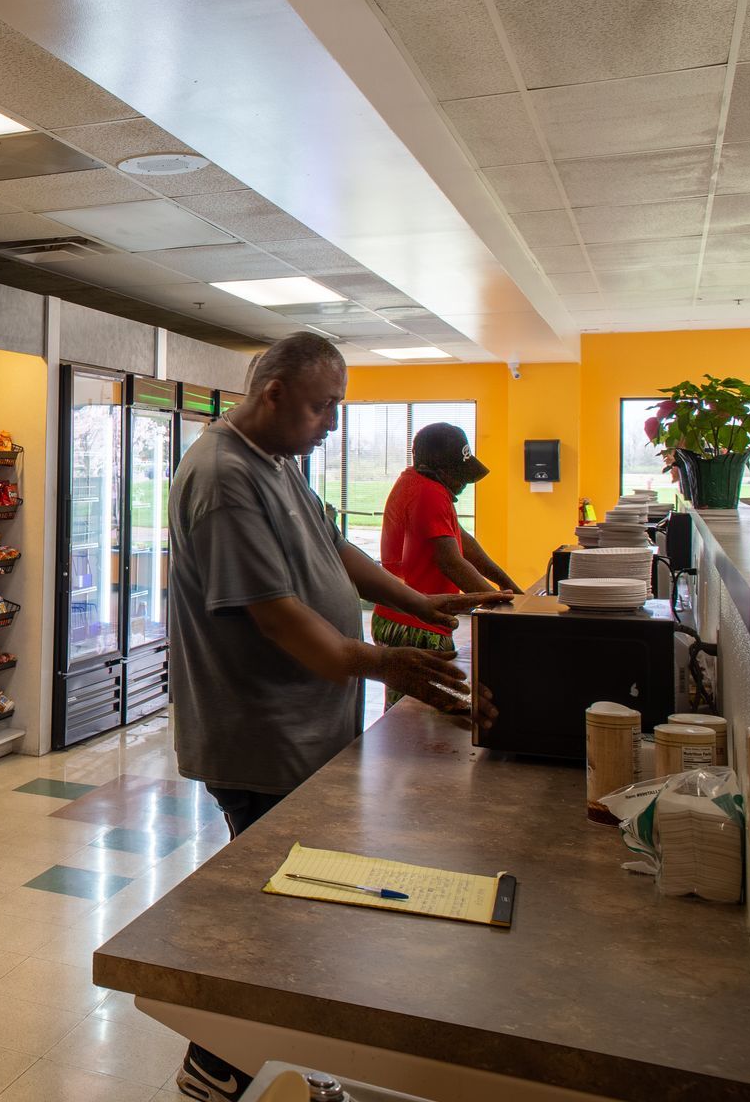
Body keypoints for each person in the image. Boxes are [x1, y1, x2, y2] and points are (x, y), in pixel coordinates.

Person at [165, 333, 501, 1102]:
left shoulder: (276, 463)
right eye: (323, 406)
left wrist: (416, 600)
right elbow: (279, 620)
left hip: (305, 732)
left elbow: (333, 546)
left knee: (296, 910)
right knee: (273, 918)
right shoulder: (222, 477)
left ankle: (257, 1056)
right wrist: (385, 662)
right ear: (274, 392)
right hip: (260, 736)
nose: (333, 424)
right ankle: (215, 1067)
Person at [371, 423, 519, 666]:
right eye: (459, 475)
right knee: (424, 703)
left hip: (400, 615)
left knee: (407, 701)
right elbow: (450, 562)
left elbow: (465, 544)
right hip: (416, 624)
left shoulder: (416, 483)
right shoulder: (430, 494)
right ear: (437, 470)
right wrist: (498, 607)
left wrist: (507, 587)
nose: (463, 483)